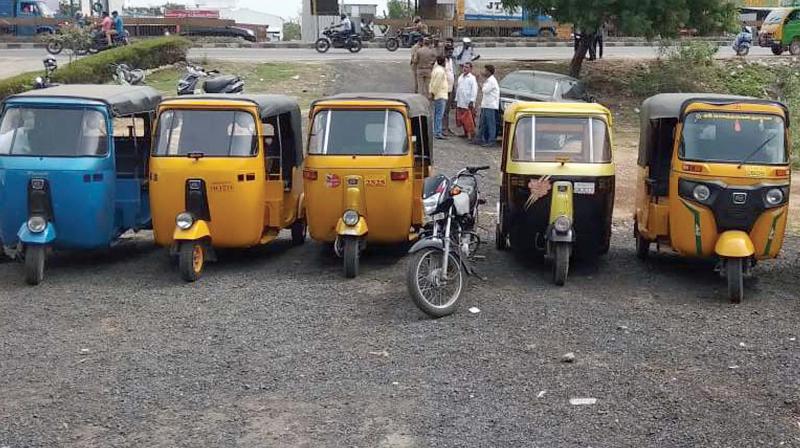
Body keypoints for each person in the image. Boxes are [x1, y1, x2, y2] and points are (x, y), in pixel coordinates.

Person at [476, 64, 499, 147]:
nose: (484, 72)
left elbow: (484, 90)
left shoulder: (492, 81)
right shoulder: (488, 80)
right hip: (486, 105)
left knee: (490, 124)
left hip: (490, 106)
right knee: (483, 123)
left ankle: (491, 141)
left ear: (489, 72)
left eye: (485, 70)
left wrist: (479, 82)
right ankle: (479, 139)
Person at [455, 62, 478, 140]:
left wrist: (472, 101)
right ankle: (465, 133)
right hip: (460, 101)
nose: (465, 68)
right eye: (464, 67)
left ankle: (471, 135)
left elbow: (474, 90)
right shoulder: (460, 77)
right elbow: (458, 89)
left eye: (467, 67)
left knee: (469, 120)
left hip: (468, 102)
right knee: (461, 119)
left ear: (470, 69)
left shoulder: (472, 78)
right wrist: (456, 99)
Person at [429, 56, 449, 140]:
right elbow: (436, 84)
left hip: (438, 94)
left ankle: (436, 131)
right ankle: (438, 132)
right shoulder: (440, 71)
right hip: (440, 94)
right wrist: (433, 92)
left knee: (437, 114)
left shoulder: (436, 70)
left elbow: (431, 82)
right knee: (439, 115)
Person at [443, 41, 456, 135]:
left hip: (451, 88)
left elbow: (452, 74)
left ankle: (446, 127)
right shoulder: (442, 61)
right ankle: (442, 129)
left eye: (451, 51)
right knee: (443, 110)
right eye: (449, 52)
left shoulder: (451, 61)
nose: (450, 53)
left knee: (447, 110)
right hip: (443, 90)